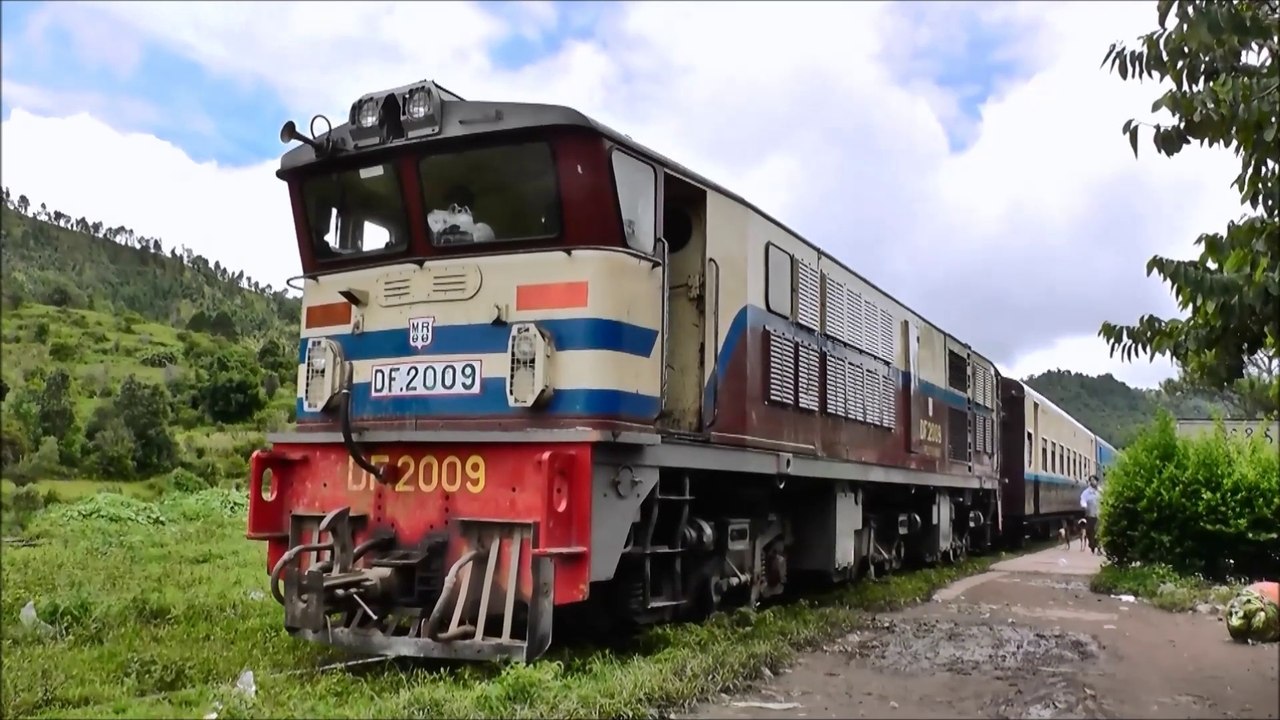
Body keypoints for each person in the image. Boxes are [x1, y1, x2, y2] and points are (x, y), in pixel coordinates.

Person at [1080, 476, 1102, 555]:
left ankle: (1099, 548)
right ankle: (1092, 546)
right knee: (1090, 532)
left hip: (1099, 514)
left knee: (1099, 532)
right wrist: (1084, 505)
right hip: (1090, 515)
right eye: (1091, 480)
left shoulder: (1100, 491)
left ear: (1097, 481)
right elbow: (1083, 500)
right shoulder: (1086, 492)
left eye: (1094, 480)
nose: (1093, 482)